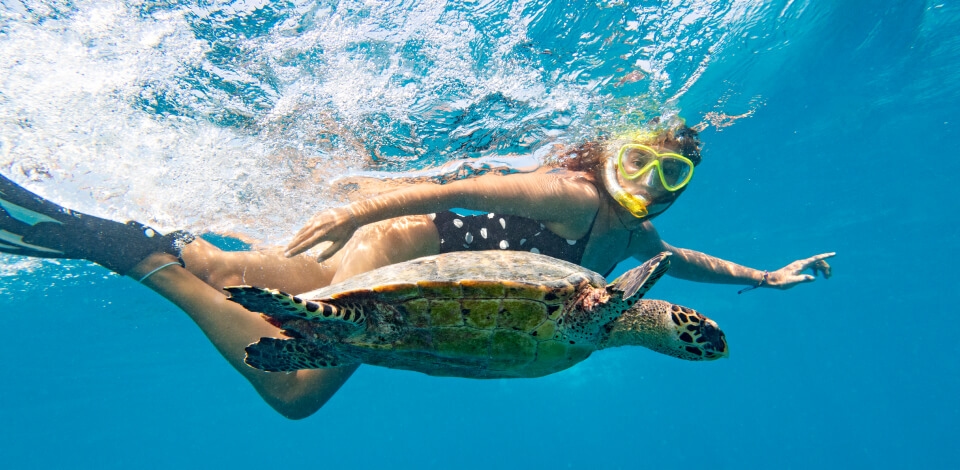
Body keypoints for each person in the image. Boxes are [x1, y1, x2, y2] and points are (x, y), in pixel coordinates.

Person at [0, 124, 833, 419]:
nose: (651, 181)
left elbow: (674, 260)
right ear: (611, 153)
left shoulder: (626, 243)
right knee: (294, 389)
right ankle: (141, 258)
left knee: (234, 263)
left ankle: (140, 233)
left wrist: (764, 278)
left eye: (673, 176)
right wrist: (355, 210)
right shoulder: (573, 196)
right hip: (404, 250)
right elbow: (458, 186)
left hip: (422, 262)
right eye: (643, 158)